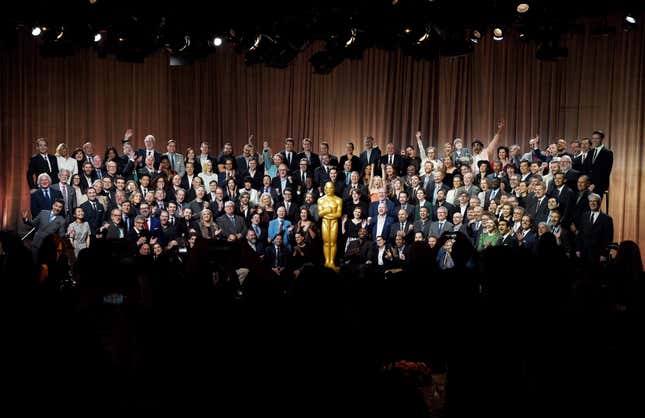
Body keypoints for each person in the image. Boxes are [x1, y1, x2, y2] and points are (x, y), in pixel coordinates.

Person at [317, 181, 343, 269]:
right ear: (325, 189)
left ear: (333, 189)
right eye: (327, 188)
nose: (329, 190)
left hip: (334, 222)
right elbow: (320, 214)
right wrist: (327, 211)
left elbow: (339, 214)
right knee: (326, 243)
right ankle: (326, 261)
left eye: (331, 188)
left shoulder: (338, 200)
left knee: (333, 242)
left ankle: (331, 261)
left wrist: (327, 214)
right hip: (325, 222)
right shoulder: (321, 200)